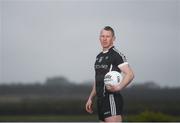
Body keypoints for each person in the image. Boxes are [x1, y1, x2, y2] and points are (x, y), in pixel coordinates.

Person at [85, 26, 134, 122]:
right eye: (102, 36)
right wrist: (90, 98)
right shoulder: (99, 57)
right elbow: (98, 79)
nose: (104, 39)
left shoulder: (116, 55)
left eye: (108, 36)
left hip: (111, 99)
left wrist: (119, 87)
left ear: (113, 38)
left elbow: (130, 74)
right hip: (100, 101)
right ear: (99, 38)